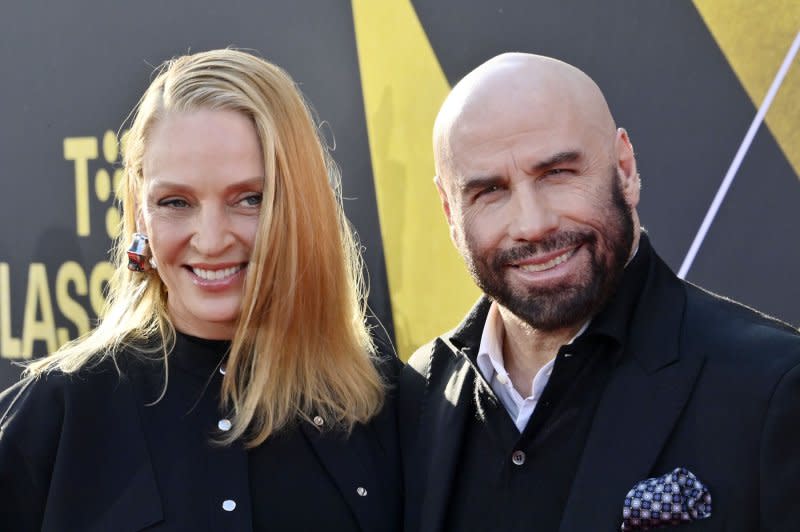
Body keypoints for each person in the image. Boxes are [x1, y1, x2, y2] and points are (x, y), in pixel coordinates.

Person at [0, 49, 401, 531]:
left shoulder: (384, 406)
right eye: (176, 201)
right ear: (139, 212)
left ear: (302, 206)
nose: (211, 240)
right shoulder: (60, 413)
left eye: (250, 199)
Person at [399, 52, 800, 532]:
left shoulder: (774, 385)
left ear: (625, 168)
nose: (533, 224)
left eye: (557, 174)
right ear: (449, 211)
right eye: (490, 191)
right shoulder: (416, 395)